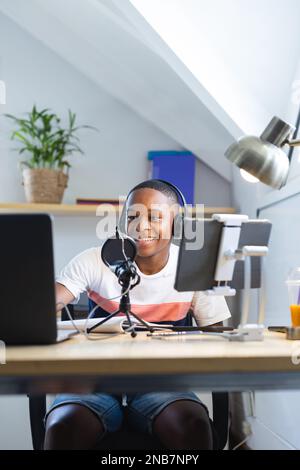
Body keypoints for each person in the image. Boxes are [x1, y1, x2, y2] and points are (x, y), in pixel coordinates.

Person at [44, 179, 231, 450]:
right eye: (133, 216)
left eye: (155, 217)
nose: (142, 226)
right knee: (63, 427)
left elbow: (220, 341)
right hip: (92, 383)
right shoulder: (94, 259)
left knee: (194, 428)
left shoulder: (192, 266)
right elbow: (46, 304)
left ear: (175, 224)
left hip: (162, 383)